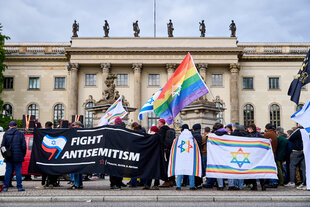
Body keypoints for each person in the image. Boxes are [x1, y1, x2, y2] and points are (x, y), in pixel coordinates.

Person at [2, 121, 26, 192]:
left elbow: (2, 146)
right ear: (16, 126)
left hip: (8, 157)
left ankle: (6, 187)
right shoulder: (20, 134)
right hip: (18, 156)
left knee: (8, 171)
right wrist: (23, 154)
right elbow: (24, 146)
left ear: (9, 126)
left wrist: (5, 155)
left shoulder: (6, 134)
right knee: (18, 172)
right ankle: (19, 187)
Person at [175, 124, 197, 190]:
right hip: (190, 156)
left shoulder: (179, 137)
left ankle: (178, 186)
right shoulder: (192, 137)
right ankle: (192, 186)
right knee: (191, 170)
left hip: (181, 156)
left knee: (180, 170)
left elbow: (175, 145)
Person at [285, 124, 307, 190]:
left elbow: (290, 138)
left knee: (292, 166)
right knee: (303, 168)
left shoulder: (298, 130)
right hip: (304, 150)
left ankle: (292, 182)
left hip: (296, 151)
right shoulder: (306, 130)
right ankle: (304, 182)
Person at [246, 123, 266, 191]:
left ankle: (257, 186)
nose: (248, 130)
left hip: (254, 155)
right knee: (257, 171)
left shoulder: (249, 136)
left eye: (249, 128)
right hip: (256, 155)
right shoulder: (259, 135)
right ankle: (260, 186)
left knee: (255, 171)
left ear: (252, 128)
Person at [158, 119, 176, 187]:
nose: (158, 124)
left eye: (158, 123)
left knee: (165, 165)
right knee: (170, 165)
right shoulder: (170, 130)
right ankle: (172, 180)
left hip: (165, 150)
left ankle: (167, 181)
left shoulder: (162, 130)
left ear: (161, 123)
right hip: (170, 150)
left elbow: (160, 140)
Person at [109, 117, 126, 189]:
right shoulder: (124, 130)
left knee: (112, 168)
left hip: (112, 152)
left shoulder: (112, 130)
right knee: (120, 168)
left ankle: (113, 183)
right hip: (121, 152)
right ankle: (119, 182)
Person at [69, 121, 84, 190]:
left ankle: (76, 184)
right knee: (80, 170)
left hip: (77, 152)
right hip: (81, 153)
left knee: (76, 170)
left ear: (78, 125)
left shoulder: (77, 132)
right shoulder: (84, 132)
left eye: (74, 125)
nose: (73, 127)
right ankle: (79, 184)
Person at [264, 123, 278, 188]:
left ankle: (273, 182)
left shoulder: (267, 134)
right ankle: (273, 182)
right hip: (273, 152)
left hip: (268, 153)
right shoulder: (274, 133)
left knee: (268, 168)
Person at [192, 124, 203, 188]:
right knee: (199, 169)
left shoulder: (193, 136)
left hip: (194, 154)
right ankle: (199, 182)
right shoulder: (199, 135)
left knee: (195, 169)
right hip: (199, 154)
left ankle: (197, 183)